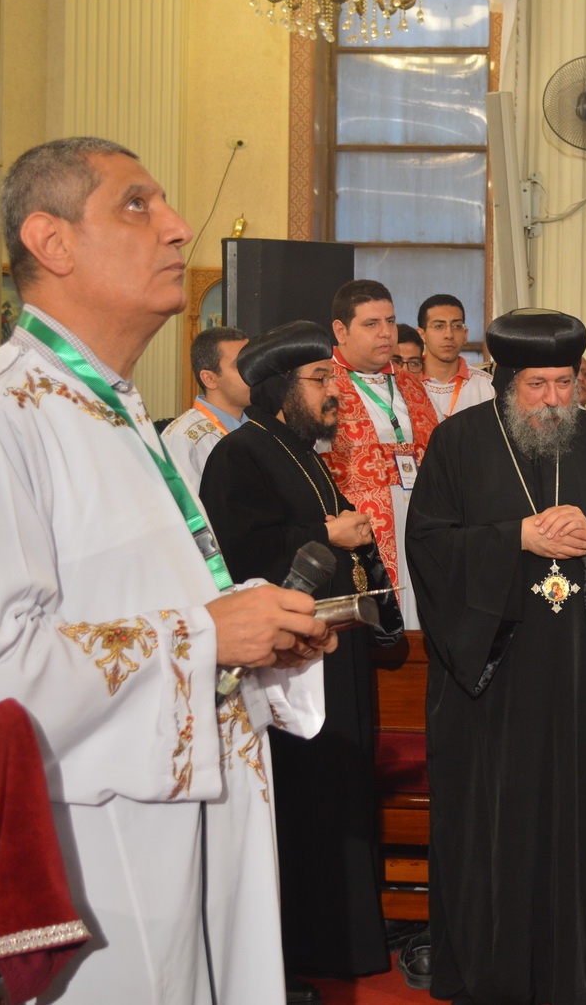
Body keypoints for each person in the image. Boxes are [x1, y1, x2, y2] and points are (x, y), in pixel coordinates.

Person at [0, 136, 332, 1003]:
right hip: (100, 847)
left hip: (194, 817)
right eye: (138, 204)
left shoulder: (110, 407)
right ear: (51, 241)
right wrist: (204, 637)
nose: (177, 227)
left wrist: (254, 631)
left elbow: (141, 598)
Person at [405, 308, 586, 1005]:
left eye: (563, 383)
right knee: (492, 824)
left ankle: (574, 973)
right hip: (491, 675)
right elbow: (428, 544)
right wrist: (514, 537)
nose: (552, 399)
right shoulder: (458, 442)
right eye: (537, 385)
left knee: (573, 821)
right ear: (505, 381)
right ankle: (488, 975)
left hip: (576, 669)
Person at [199, 320, 406, 985]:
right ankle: (298, 956)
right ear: (281, 390)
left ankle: (344, 946)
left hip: (333, 656)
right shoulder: (239, 455)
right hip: (287, 666)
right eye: (319, 380)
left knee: (341, 797)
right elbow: (239, 554)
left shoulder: (305, 454)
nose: (332, 392)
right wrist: (325, 533)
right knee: (304, 805)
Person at [322, 279, 440, 629]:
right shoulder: (324, 385)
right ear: (341, 330)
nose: (386, 332)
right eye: (371, 324)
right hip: (362, 536)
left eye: (390, 321)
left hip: (420, 525)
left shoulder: (411, 383)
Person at [162, 325, 249, 489]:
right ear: (210, 379)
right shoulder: (183, 438)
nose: (253, 371)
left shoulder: (258, 429)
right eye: (240, 365)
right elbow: (185, 502)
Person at [417, 293, 495, 422]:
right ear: (422, 335)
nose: (449, 334)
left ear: (465, 335)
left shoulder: (488, 387)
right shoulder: (405, 383)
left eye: (457, 326)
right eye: (439, 326)